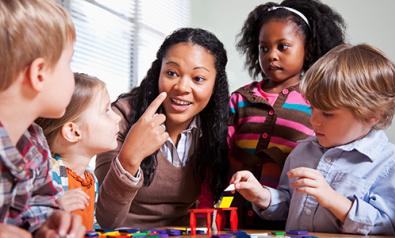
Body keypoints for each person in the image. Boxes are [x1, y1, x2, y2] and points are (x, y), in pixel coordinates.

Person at [231, 44, 395, 235]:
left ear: (372, 115)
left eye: (328, 114)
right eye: (312, 109)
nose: (313, 120)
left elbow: (390, 227)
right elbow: (288, 205)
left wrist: (331, 199)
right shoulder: (302, 152)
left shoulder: (389, 162)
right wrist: (262, 196)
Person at [95, 27, 230, 229]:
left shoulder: (214, 127)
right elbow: (107, 220)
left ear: (215, 84)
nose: (182, 87)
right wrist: (130, 158)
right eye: (172, 73)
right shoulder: (120, 117)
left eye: (198, 79)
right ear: (158, 72)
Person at [230, 0, 346, 228]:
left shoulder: (317, 101)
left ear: (308, 49)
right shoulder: (240, 99)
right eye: (264, 48)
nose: (272, 55)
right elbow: (220, 155)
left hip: (290, 215)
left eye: (283, 46)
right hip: (236, 212)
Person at [0, 0, 85, 237]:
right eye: (69, 63)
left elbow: (38, 204)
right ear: (39, 74)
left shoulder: (34, 142)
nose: (72, 75)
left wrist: (47, 223)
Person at [36, 73, 121, 230]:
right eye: (106, 110)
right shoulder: (49, 175)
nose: (117, 118)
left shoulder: (90, 179)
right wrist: (52, 211)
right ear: (73, 132)